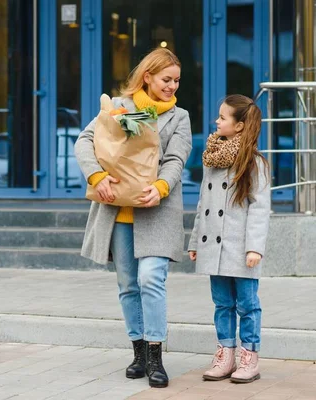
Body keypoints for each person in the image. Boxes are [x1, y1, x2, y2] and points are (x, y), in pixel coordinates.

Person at [74, 48, 192, 388]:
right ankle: (138, 351)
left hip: (157, 210)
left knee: (151, 278)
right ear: (148, 78)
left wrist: (161, 186)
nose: (172, 86)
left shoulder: (179, 117)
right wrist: (97, 177)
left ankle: (156, 354)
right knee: (128, 284)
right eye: (166, 80)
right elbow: (85, 141)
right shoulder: (121, 107)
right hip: (117, 211)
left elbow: (176, 158)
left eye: (176, 81)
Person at [188, 94, 271, 384]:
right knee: (222, 303)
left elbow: (259, 209)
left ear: (239, 126)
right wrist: (195, 241)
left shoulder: (254, 163)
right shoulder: (212, 159)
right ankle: (225, 354)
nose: (216, 121)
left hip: (240, 248)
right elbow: (202, 204)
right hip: (213, 247)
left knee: (247, 305)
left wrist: (254, 248)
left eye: (222, 117)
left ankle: (249, 356)